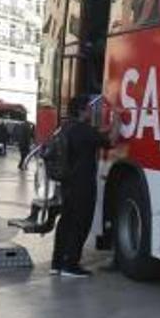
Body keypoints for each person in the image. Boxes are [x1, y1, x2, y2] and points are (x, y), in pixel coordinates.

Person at [51, 95, 115, 277]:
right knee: (80, 224)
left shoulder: (66, 127)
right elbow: (110, 141)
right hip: (83, 185)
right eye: (88, 108)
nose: (90, 111)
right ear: (81, 111)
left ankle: (56, 263)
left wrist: (103, 129)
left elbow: (96, 134)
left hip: (67, 183)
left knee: (65, 223)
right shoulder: (84, 130)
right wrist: (117, 119)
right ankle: (71, 265)